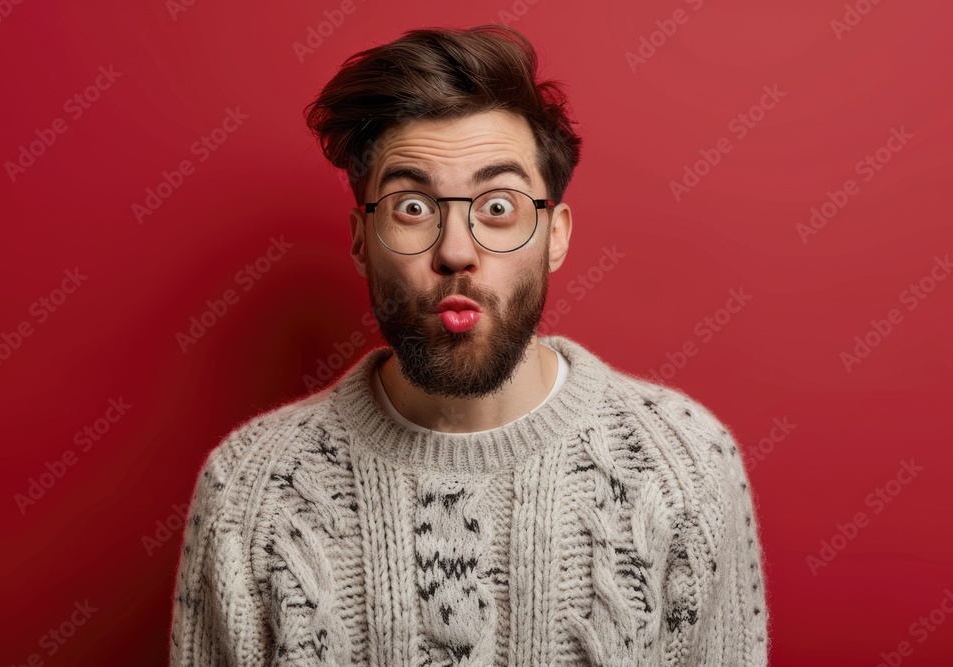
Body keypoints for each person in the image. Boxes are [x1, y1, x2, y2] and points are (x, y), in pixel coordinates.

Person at [169, 24, 769, 667]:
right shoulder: (249, 490)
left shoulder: (684, 465)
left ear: (556, 235)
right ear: (360, 241)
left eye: (498, 207)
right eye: (412, 208)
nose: (456, 251)